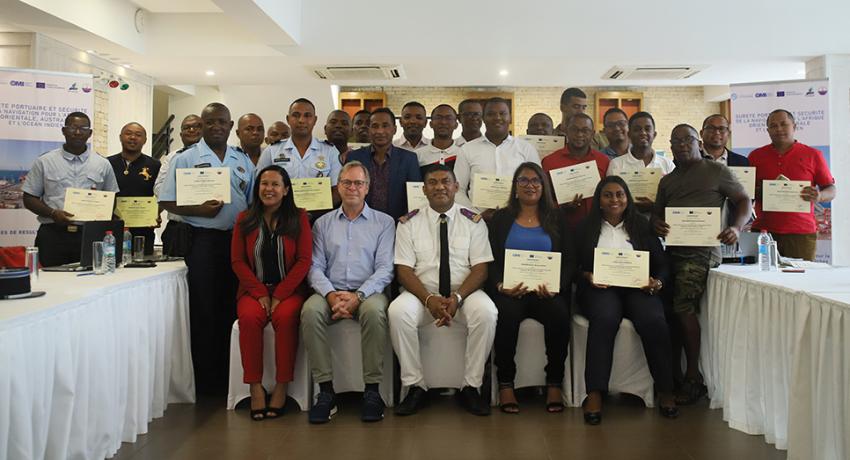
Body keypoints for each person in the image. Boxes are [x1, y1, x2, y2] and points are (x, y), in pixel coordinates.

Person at [158, 102, 255, 395]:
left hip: (236, 242)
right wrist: (199, 210)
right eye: (210, 122)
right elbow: (166, 201)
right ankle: (205, 381)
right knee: (203, 309)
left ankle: (230, 375)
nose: (216, 127)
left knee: (231, 307)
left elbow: (252, 203)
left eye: (222, 122)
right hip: (201, 241)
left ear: (230, 125)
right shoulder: (185, 158)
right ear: (201, 125)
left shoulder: (242, 159)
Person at [651, 124, 751, 405]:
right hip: (673, 252)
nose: (682, 144)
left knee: (683, 308)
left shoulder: (716, 171)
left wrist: (737, 227)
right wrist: (657, 223)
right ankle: (674, 374)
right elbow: (657, 216)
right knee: (669, 311)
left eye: (688, 140)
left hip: (702, 252)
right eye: (676, 141)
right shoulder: (667, 181)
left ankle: (693, 377)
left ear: (699, 143)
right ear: (670, 146)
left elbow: (744, 200)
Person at [389, 165, 497, 416]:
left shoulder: (474, 221)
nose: (439, 187)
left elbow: (481, 269)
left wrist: (457, 298)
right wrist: (428, 299)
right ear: (423, 189)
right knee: (397, 312)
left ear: (456, 187)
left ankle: (471, 386)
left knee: (487, 313)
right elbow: (403, 271)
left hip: (464, 293)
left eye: (445, 182)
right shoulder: (408, 223)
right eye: (433, 183)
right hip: (422, 294)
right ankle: (415, 385)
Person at [575, 176, 678, 424]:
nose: (614, 200)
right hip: (600, 288)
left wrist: (658, 283)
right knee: (605, 318)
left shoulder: (642, 227)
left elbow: (663, 265)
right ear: (599, 200)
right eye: (608, 195)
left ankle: (665, 389)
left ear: (627, 198)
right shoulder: (585, 228)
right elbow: (572, 265)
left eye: (620, 194)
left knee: (653, 319)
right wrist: (587, 276)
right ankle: (596, 392)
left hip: (637, 288)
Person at [301, 161, 395, 424]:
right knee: (310, 311)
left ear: (368, 188)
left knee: (376, 313)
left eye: (358, 183)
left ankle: (372, 392)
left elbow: (385, 269)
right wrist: (331, 295)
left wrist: (359, 296)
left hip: (368, 292)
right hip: (329, 290)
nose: (352, 188)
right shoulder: (322, 223)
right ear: (338, 187)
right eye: (347, 183)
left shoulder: (384, 223)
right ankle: (326, 392)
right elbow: (315, 267)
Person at [488, 162, 573, 414]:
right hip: (511, 292)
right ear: (515, 188)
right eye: (523, 181)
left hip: (546, 292)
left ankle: (554, 382)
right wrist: (500, 285)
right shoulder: (501, 218)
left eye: (535, 181)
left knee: (559, 315)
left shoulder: (557, 217)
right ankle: (506, 384)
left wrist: (557, 286)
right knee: (506, 316)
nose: (530, 185)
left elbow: (570, 259)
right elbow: (489, 257)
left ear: (544, 187)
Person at [231, 165, 311, 421]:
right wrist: (259, 293)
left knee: (286, 319)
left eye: (276, 184)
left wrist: (280, 294)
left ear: (286, 190)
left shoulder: (299, 218)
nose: (269, 189)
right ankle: (254, 387)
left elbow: (303, 260)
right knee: (249, 319)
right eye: (264, 184)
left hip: (288, 291)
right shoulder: (244, 219)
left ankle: (282, 385)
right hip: (254, 290)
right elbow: (237, 261)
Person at [22, 112, 119, 267]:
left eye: (83, 128)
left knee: (90, 281)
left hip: (90, 235)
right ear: (63, 130)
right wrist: (53, 213)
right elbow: (29, 198)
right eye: (73, 128)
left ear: (90, 133)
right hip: (53, 234)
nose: (78, 132)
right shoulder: (44, 161)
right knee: (52, 283)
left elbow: (112, 197)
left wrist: (102, 212)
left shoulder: (102, 163)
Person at [748, 109, 835, 261]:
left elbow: (831, 189)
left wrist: (820, 196)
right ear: (768, 131)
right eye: (773, 126)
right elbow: (746, 191)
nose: (779, 129)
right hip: (763, 231)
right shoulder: (756, 156)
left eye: (784, 124)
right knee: (759, 280)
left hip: (801, 232)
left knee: (799, 282)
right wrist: (759, 192)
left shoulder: (813, 155)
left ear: (794, 126)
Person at [455, 97, 540, 218]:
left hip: (519, 218)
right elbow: (458, 189)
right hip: (478, 221)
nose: (497, 118)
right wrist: (475, 215)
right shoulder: (467, 149)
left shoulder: (526, 148)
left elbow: (538, 185)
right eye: (491, 114)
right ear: (483, 119)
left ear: (510, 117)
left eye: (502, 113)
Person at [256, 98, 342, 206]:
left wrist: (316, 211)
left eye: (307, 115)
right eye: (296, 115)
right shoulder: (272, 151)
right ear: (288, 119)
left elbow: (338, 189)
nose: (301, 120)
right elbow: (259, 186)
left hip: (319, 217)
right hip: (281, 217)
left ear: (315, 120)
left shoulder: (329, 151)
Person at [346, 108, 422, 220]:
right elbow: (348, 190)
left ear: (394, 130)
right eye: (375, 126)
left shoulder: (409, 159)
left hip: (397, 224)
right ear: (369, 129)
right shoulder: (354, 157)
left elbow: (415, 196)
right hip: (360, 222)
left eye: (385, 126)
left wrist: (407, 218)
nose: (380, 131)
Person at [542, 113, 610, 229]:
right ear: (566, 131)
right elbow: (543, 198)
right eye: (574, 129)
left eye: (585, 130)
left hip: (596, 227)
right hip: (559, 226)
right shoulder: (549, 162)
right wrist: (561, 207)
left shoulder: (604, 161)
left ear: (593, 134)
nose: (579, 134)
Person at [107, 122, 161, 255]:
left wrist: (156, 213)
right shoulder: (107, 163)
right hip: (112, 230)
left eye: (138, 135)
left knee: (142, 269)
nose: (133, 137)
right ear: (120, 137)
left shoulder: (154, 165)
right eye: (128, 133)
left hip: (143, 230)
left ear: (145, 140)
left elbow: (164, 193)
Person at [606, 112, 675, 213]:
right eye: (637, 129)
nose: (643, 133)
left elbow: (675, 198)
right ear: (629, 135)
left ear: (654, 134)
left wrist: (655, 206)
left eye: (647, 129)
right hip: (627, 222)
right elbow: (611, 198)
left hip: (659, 223)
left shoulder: (667, 164)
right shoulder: (616, 164)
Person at [155, 114, 202, 257]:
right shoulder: (172, 157)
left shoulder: (216, 156)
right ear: (181, 134)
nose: (191, 130)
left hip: (206, 228)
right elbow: (159, 189)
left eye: (196, 126)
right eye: (187, 128)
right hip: (177, 229)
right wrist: (189, 190)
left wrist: (175, 189)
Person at [416, 104, 462, 175]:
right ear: (430, 124)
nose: (443, 122)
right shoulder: (418, 155)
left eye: (448, 118)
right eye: (438, 118)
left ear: (456, 125)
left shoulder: (463, 154)